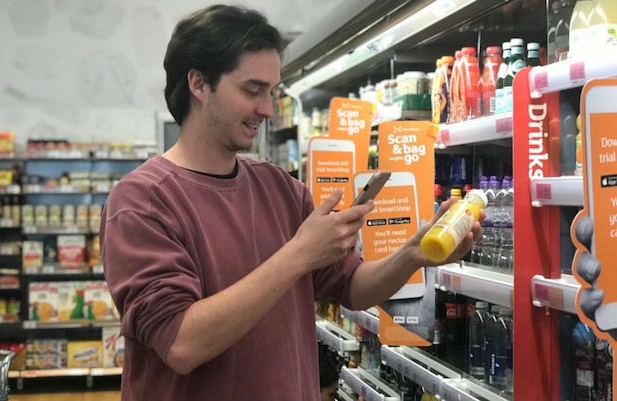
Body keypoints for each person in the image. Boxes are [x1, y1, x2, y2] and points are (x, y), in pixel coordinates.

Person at [100, 4, 482, 401]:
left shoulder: (282, 190)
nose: (266, 109)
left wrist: (412, 255)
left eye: (271, 92)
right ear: (198, 83)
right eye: (252, 90)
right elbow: (181, 343)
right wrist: (299, 253)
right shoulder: (141, 202)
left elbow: (350, 287)